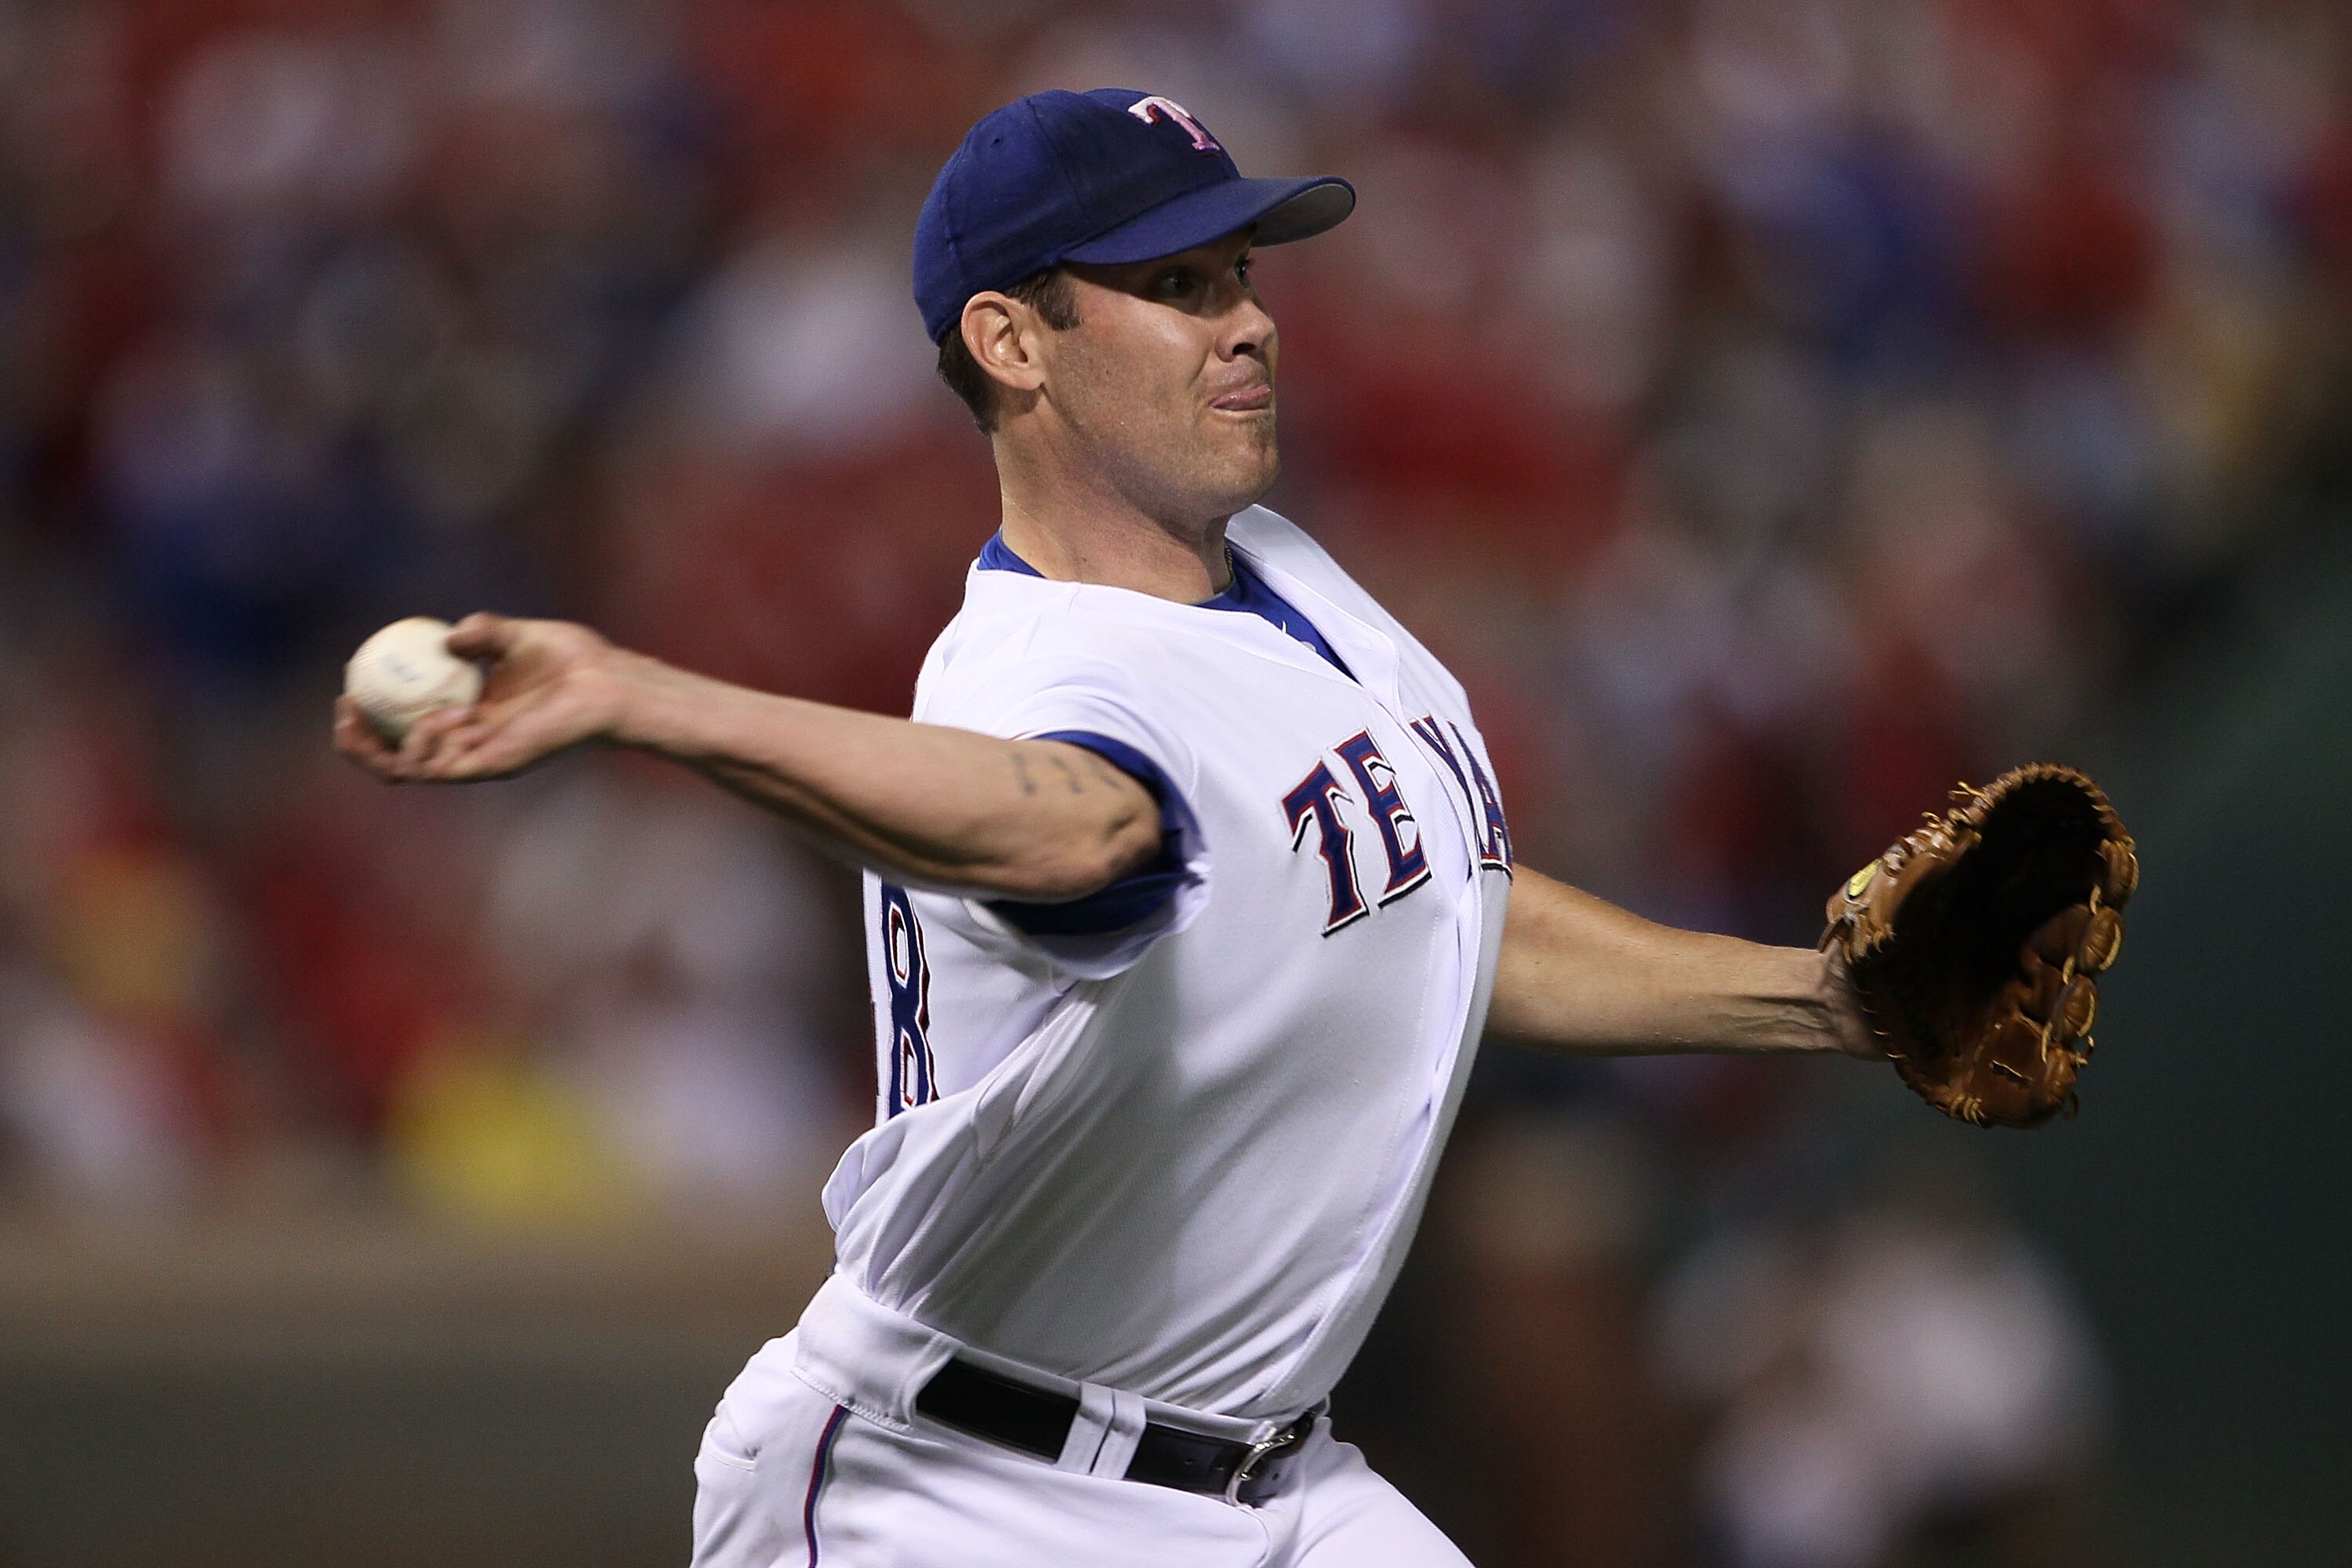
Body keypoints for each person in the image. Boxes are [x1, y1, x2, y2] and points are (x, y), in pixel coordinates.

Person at [336, 88, 1880, 1568]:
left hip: (1281, 1477)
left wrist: (1820, 997)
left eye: (1241, 275)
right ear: (1013, 340)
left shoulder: (1294, 578)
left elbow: (1450, 911)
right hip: (953, 1494)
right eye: (1178, 286)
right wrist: (647, 700)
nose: (1251, 321)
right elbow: (1080, 831)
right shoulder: (1032, 671)